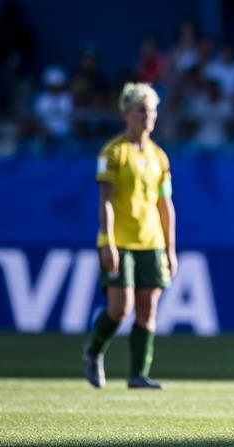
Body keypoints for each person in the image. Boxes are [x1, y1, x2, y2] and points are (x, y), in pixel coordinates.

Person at [83, 82, 178, 389]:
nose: (148, 115)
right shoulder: (113, 152)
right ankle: (94, 351)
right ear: (126, 112)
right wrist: (107, 240)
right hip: (120, 241)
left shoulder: (159, 157)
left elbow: (165, 206)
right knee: (119, 308)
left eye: (152, 110)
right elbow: (106, 201)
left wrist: (170, 249)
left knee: (148, 308)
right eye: (142, 109)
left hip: (151, 241)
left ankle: (138, 374)